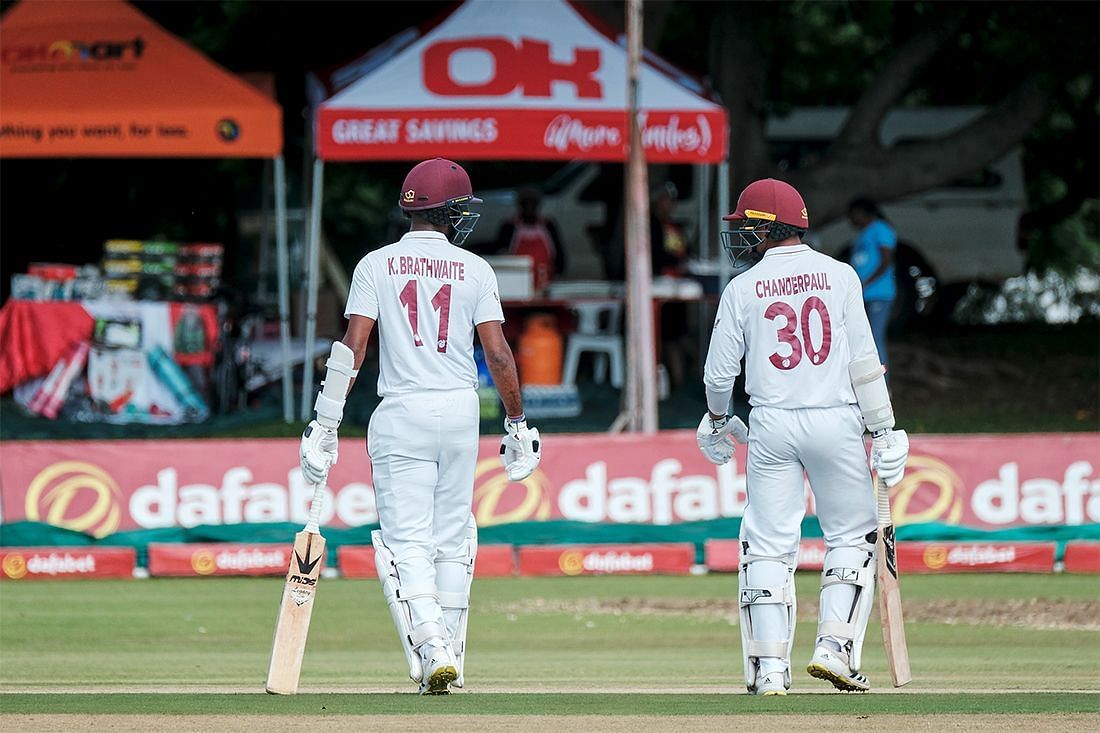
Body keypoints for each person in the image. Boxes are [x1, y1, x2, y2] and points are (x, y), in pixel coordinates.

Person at [299, 157, 542, 696]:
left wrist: (325, 422)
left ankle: (432, 649)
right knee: (454, 536)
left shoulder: (376, 264)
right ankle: (449, 656)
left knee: (405, 542)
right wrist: (518, 421)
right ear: (450, 211)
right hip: (459, 412)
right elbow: (498, 355)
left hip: (402, 414)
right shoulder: (475, 269)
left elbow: (353, 346)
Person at [697, 178, 909, 696]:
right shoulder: (839, 275)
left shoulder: (742, 287)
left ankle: (770, 669)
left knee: (767, 543)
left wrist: (718, 418)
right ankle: (834, 650)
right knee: (852, 536)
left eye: (746, 226)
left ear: (767, 228)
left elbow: (718, 376)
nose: (741, 236)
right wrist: (884, 429)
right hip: (836, 419)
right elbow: (865, 362)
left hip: (772, 423)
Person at [847, 197, 897, 370]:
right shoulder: (865, 232)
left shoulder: (881, 229)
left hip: (879, 293)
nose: (851, 219)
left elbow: (886, 260)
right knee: (862, 339)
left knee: (875, 337)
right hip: (865, 293)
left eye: (854, 214)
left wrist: (866, 282)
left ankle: (883, 383)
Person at [494, 187, 565, 294]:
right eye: (525, 203)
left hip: (545, 281)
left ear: (538, 205)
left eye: (533, 203)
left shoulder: (548, 225)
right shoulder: (509, 227)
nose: (529, 207)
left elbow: (559, 252)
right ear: (520, 205)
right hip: (517, 281)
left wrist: (559, 273)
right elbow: (501, 253)